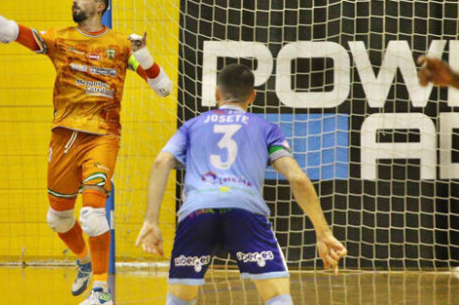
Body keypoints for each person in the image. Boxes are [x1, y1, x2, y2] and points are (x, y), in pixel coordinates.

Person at [0, 0, 173, 305]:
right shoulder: (60, 38)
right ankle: (85, 260)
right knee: (58, 218)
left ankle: (102, 293)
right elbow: (14, 33)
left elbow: (164, 89)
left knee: (92, 214)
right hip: (63, 135)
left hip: (103, 136)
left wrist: (143, 54)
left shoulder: (121, 45)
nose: (76, 0)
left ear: (100, 6)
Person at [135, 64, 347, 305]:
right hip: (245, 212)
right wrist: (323, 232)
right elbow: (297, 179)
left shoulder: (192, 126)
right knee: (277, 296)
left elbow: (161, 162)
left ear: (217, 93)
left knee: (179, 300)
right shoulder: (267, 129)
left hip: (197, 212)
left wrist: (150, 221)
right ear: (252, 96)